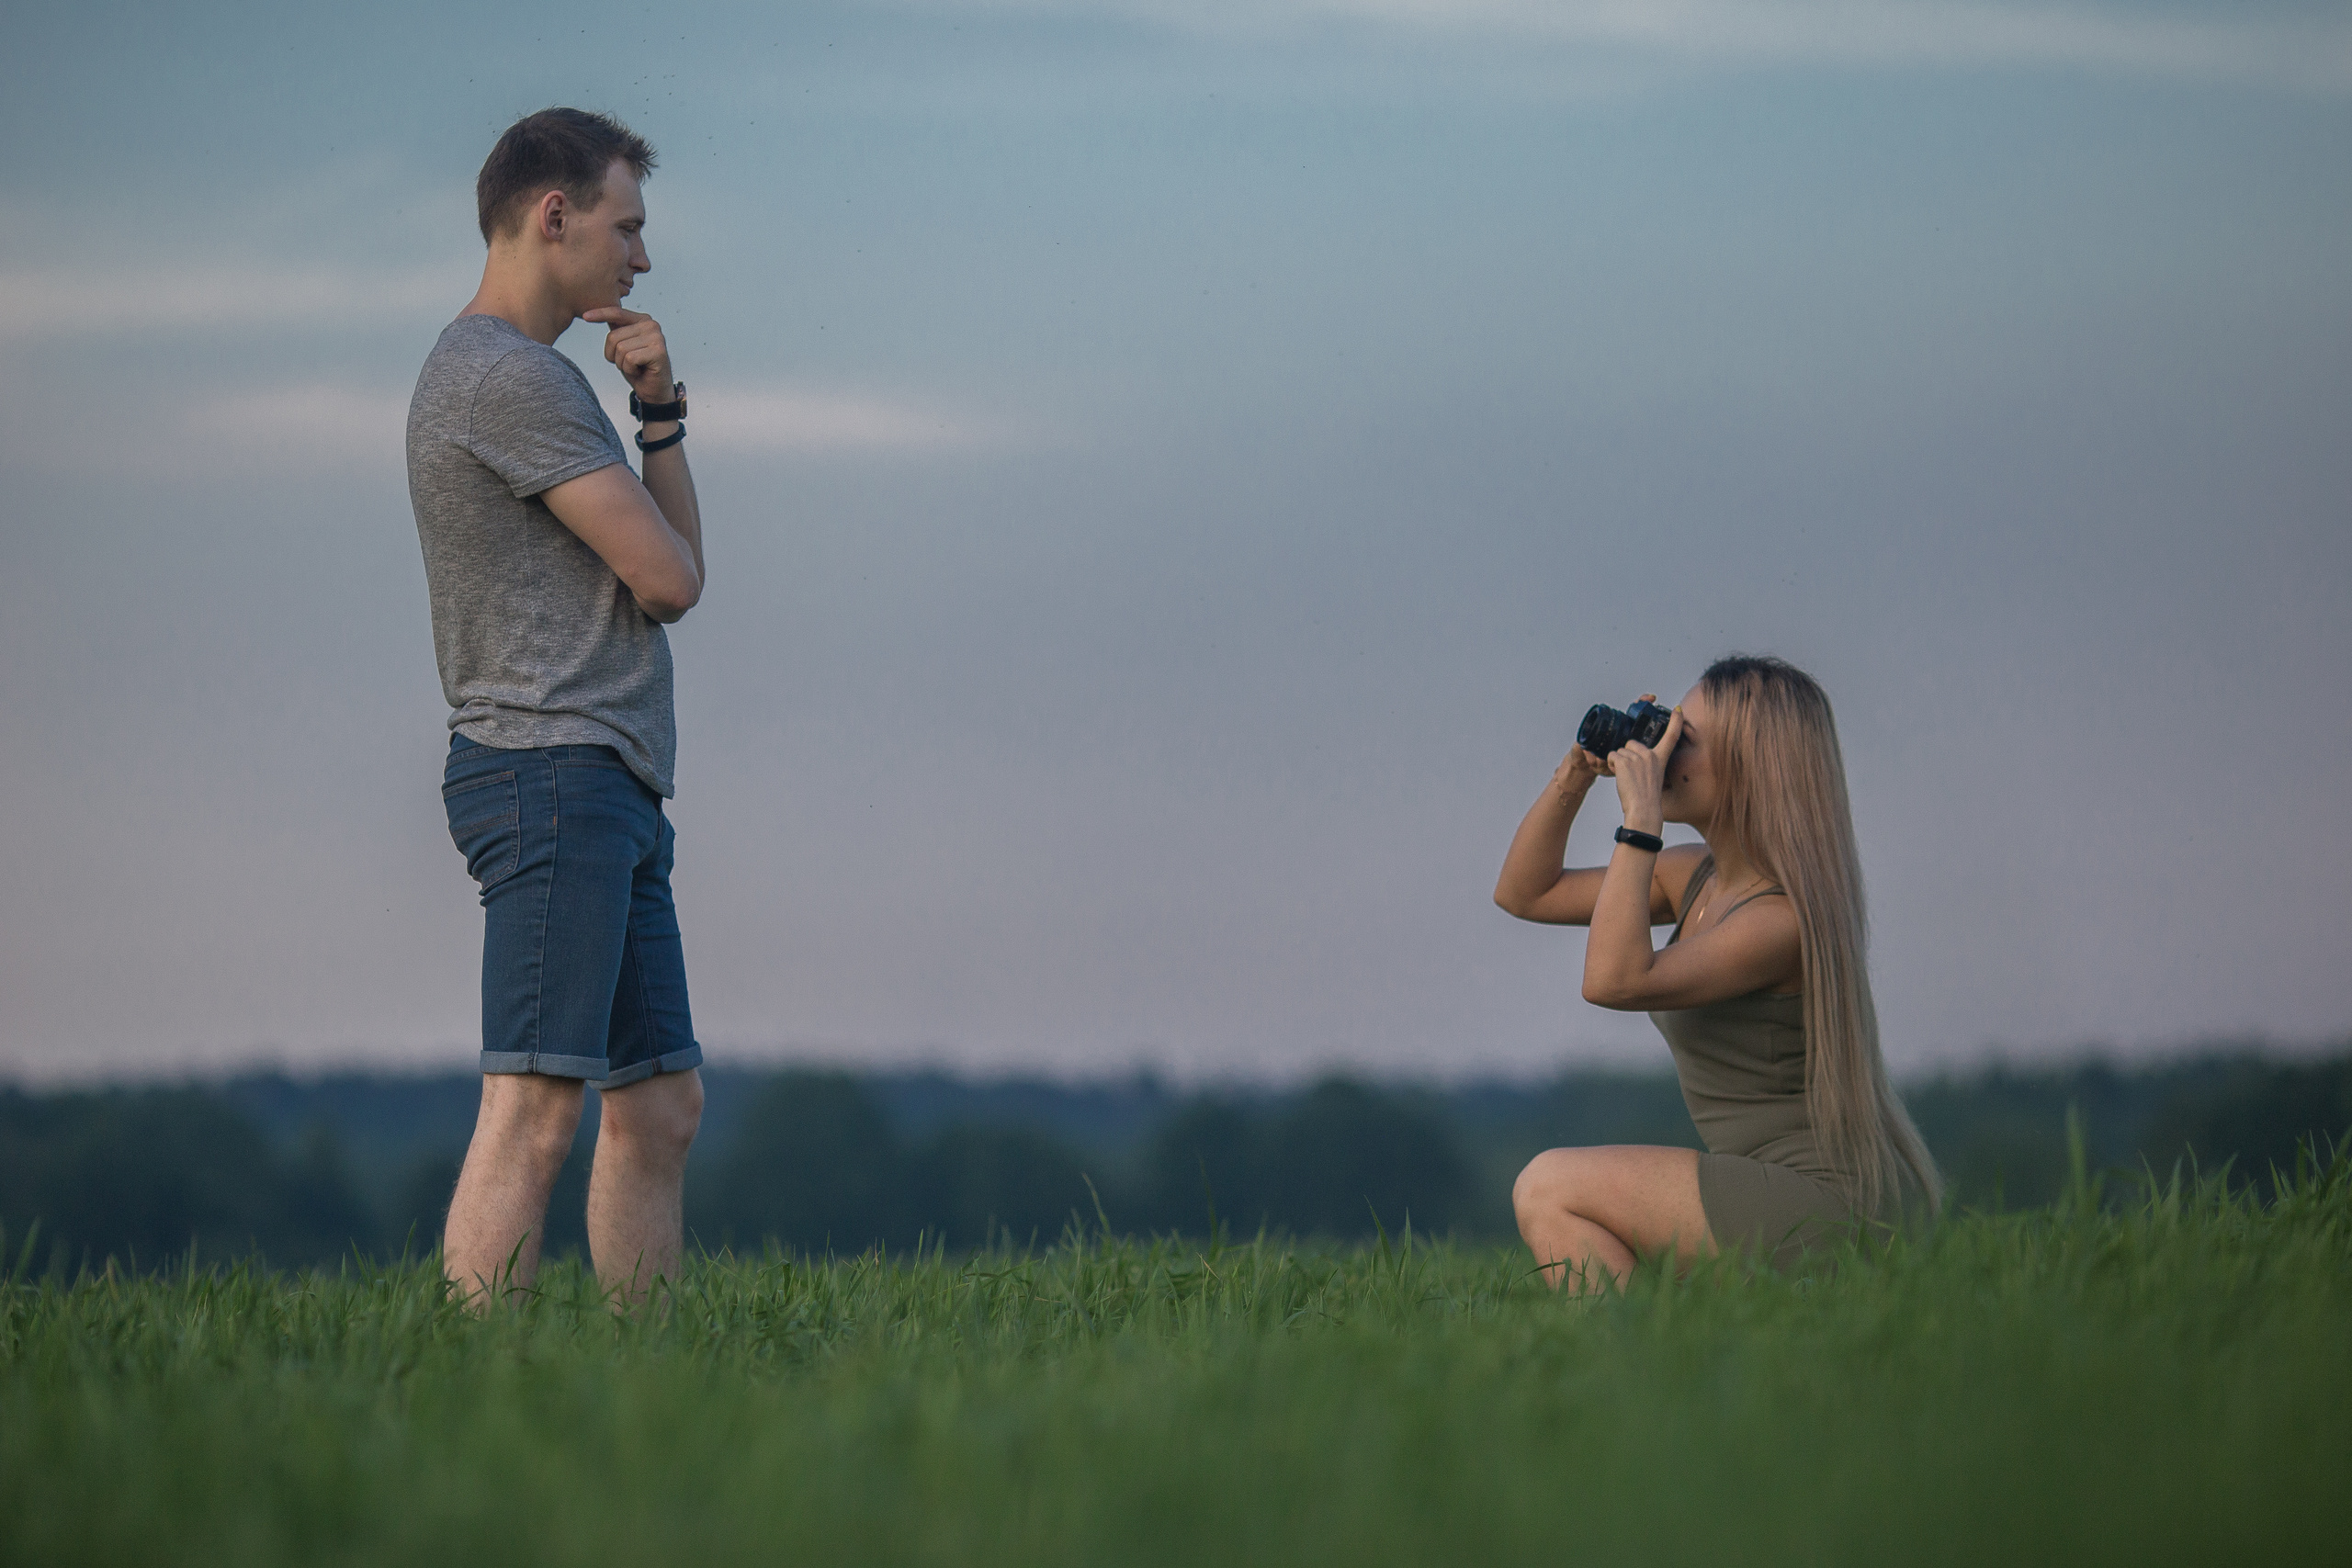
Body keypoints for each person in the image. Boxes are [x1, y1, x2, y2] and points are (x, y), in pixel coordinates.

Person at [406, 107, 708, 1309]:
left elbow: (674, 567)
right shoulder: (506, 379)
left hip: (604, 773)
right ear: (554, 216)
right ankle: (478, 1394)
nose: (640, 257)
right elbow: (671, 578)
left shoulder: (524, 380)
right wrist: (645, 418)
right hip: (550, 770)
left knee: (659, 1105)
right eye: (626, 226)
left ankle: (643, 1398)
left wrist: (660, 412)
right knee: (534, 1109)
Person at [1493, 655, 1939, 1289]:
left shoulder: (1779, 922)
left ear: (1754, 769)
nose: (1665, 750)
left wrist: (1639, 820)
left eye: (1687, 739)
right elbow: (1525, 892)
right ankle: (1647, 1371)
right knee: (1557, 1196)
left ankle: (1635, 1379)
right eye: (1668, 727)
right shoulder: (1694, 877)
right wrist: (1577, 771)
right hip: (1770, 1190)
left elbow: (1612, 980)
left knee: (1549, 1187)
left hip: (1826, 1206)